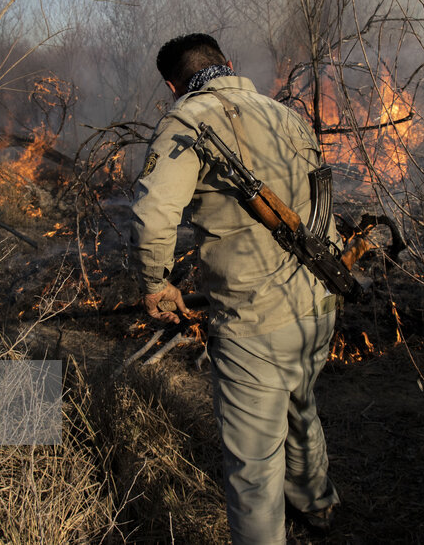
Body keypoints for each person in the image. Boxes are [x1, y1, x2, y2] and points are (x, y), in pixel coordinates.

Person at [130, 33, 340, 543]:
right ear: (228, 63)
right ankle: (317, 507)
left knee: (252, 468)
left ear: (171, 84)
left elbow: (153, 216)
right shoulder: (284, 113)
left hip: (255, 322)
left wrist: (156, 283)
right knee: (301, 405)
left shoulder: (186, 125)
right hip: (319, 299)